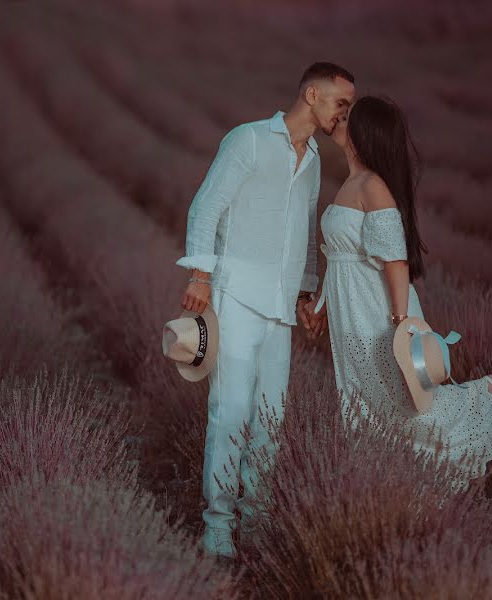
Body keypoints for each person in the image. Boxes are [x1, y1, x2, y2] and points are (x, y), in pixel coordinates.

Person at [175, 62, 355, 559]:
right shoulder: (248, 140)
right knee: (230, 411)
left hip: (279, 308)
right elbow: (205, 207)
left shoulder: (315, 158)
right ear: (313, 95)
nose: (346, 112)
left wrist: (304, 294)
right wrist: (200, 276)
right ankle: (218, 525)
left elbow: (305, 230)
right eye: (341, 101)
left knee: (271, 420)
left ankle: (256, 520)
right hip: (235, 296)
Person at [302, 95, 492, 493]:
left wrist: (400, 323)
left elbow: (395, 262)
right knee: (369, 400)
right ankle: (387, 483)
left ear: (363, 133)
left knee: (404, 402)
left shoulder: (373, 187)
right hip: (352, 311)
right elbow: (339, 260)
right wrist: (319, 306)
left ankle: (487, 394)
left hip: (379, 312)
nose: (337, 121)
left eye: (347, 117)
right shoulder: (351, 183)